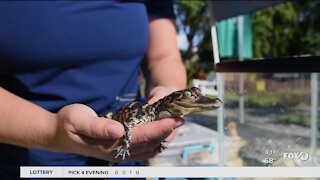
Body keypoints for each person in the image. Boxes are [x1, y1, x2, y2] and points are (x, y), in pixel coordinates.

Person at [0, 1, 187, 178]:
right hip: (24, 163)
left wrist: (167, 90)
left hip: (124, 164)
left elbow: (164, 57)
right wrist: (53, 130)